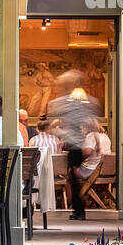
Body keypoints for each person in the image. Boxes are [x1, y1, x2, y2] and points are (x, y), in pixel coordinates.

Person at [47, 69, 98, 220]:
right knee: (73, 179)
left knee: (73, 179)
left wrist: (58, 132)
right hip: (77, 146)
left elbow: (56, 107)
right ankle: (79, 209)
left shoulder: (68, 103)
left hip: (75, 147)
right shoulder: (79, 102)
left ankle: (79, 210)